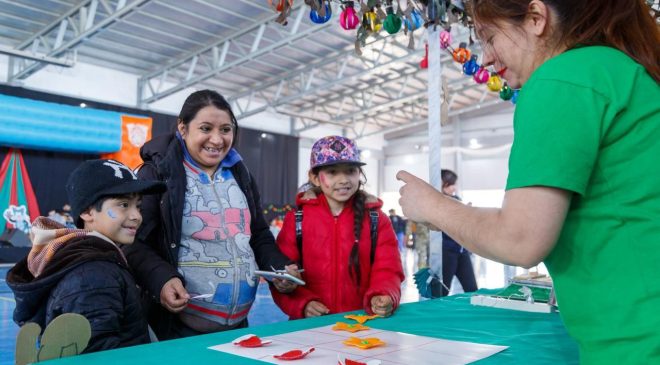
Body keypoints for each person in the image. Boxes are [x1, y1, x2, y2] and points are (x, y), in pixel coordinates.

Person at [397, 0, 660, 363]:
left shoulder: (563, 77)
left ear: (536, 19)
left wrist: (432, 206)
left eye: (489, 37)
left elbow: (519, 239)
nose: (486, 58)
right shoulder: (618, 71)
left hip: (638, 340)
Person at [123, 90, 300, 340]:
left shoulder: (241, 175)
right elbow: (133, 243)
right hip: (177, 329)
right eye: (206, 128)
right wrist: (162, 279)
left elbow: (258, 235)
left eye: (226, 130)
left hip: (239, 326)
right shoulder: (156, 175)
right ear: (183, 129)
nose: (217, 140)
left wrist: (279, 269)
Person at [7, 159, 165, 353]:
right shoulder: (94, 275)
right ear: (87, 212)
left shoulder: (91, 260)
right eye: (124, 204)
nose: (136, 216)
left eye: (138, 206)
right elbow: (97, 355)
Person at [271, 135, 404, 319]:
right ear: (315, 178)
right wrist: (303, 304)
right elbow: (282, 272)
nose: (343, 180)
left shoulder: (376, 219)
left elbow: (388, 268)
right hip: (309, 328)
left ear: (359, 174)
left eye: (350, 171)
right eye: (332, 172)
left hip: (364, 324)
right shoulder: (297, 220)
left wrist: (384, 295)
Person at [439, 169, 477, 296]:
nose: (453, 187)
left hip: (462, 251)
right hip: (446, 252)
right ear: (442, 183)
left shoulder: (457, 199)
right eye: (450, 184)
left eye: (454, 184)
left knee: (472, 289)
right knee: (442, 291)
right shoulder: (437, 203)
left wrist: (468, 213)